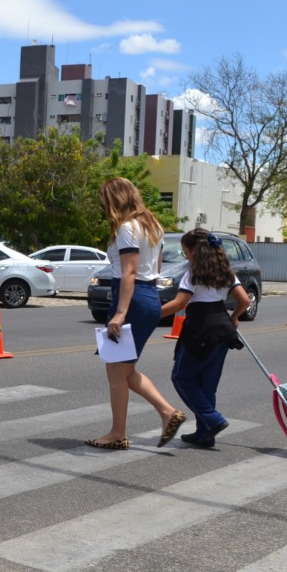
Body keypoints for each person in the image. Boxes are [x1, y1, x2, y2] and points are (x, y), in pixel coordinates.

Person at [86, 177, 187, 450]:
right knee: (125, 370)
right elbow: (157, 264)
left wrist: (120, 313)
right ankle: (167, 413)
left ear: (116, 198)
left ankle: (118, 433)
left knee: (116, 373)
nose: (102, 205)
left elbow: (129, 271)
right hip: (149, 296)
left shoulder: (127, 228)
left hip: (131, 299)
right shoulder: (151, 225)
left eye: (104, 199)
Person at [160, 229, 250, 448]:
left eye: (185, 252)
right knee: (207, 384)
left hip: (200, 329)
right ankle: (204, 433)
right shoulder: (226, 271)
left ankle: (212, 419)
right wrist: (235, 317)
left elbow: (180, 304)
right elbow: (245, 300)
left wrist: (151, 313)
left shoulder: (193, 273)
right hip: (223, 330)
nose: (186, 255)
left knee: (182, 377)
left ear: (193, 251)